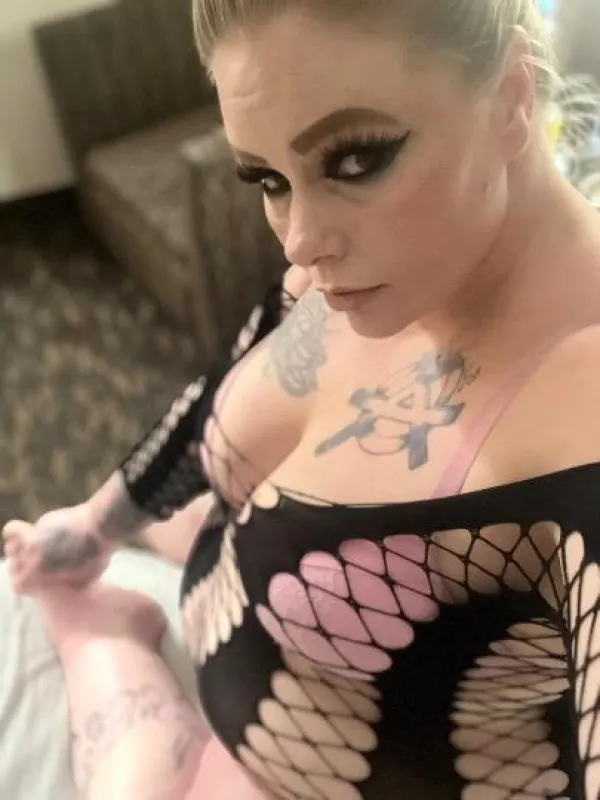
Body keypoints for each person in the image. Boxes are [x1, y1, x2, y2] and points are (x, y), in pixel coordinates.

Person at [3, 0, 600, 797]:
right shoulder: (366, 269)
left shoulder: (584, 415)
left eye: (355, 160)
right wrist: (98, 522)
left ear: (511, 95)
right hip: (218, 636)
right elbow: (216, 398)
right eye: (267, 179)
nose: (299, 241)